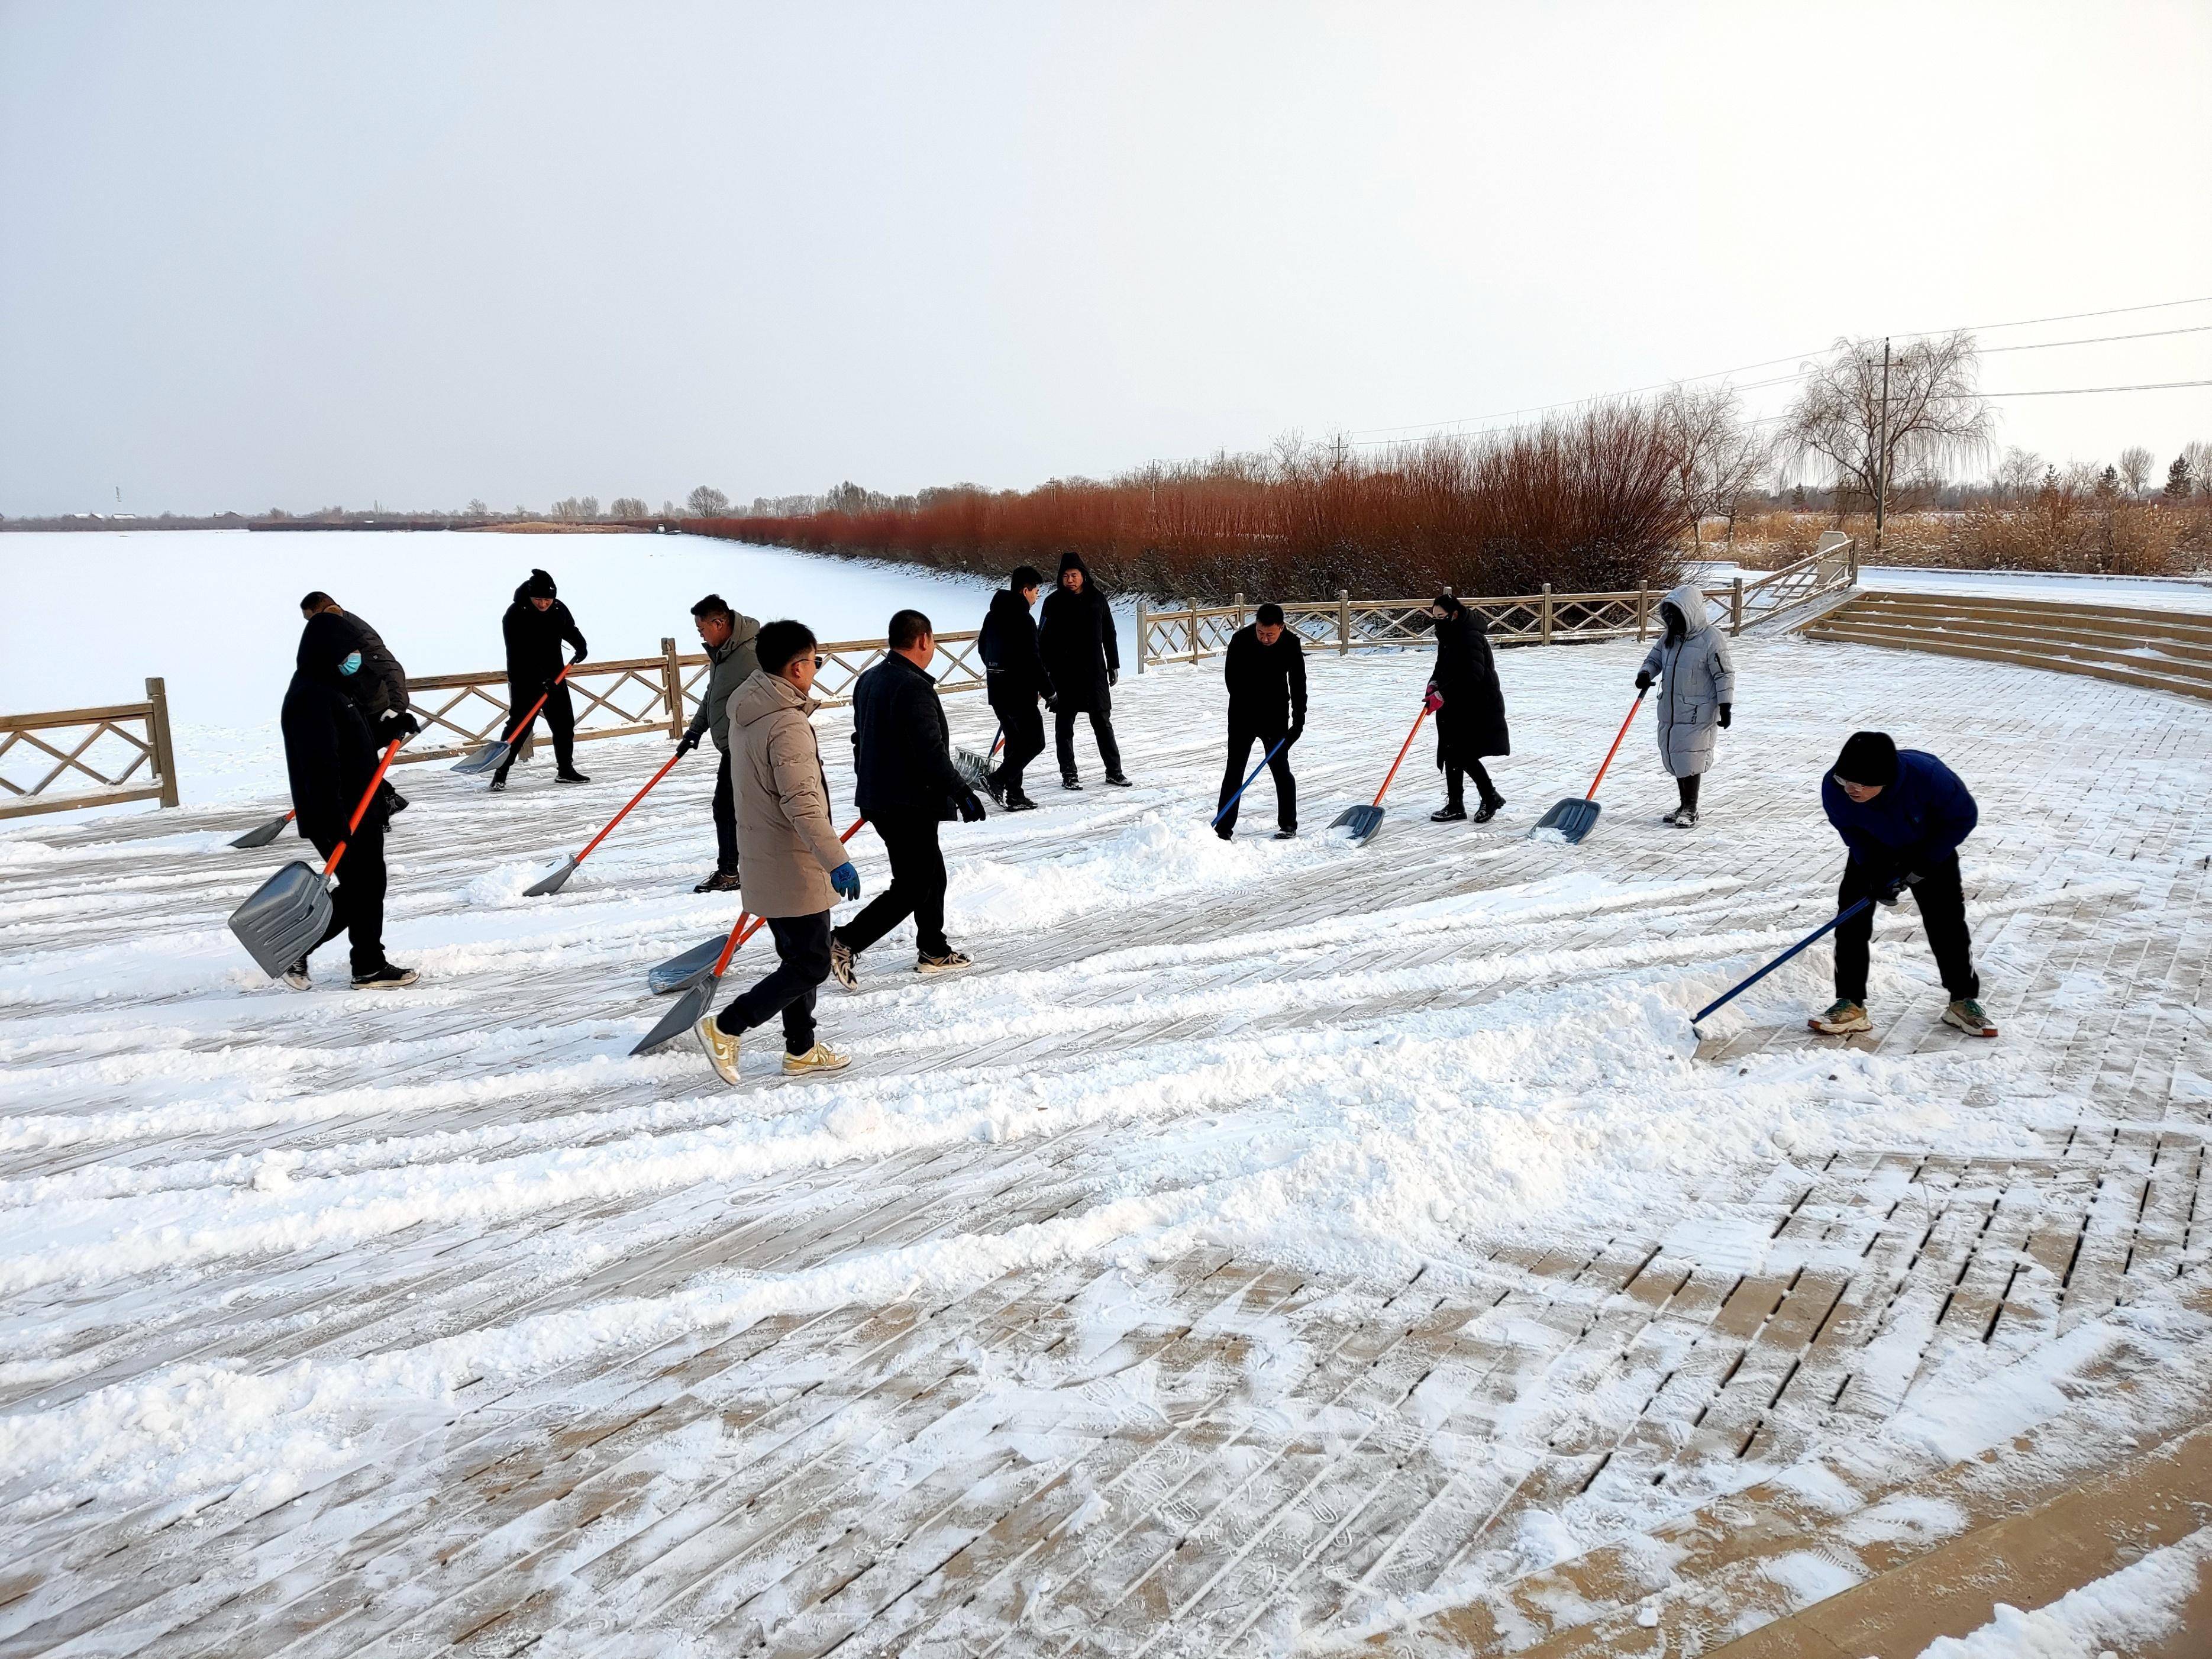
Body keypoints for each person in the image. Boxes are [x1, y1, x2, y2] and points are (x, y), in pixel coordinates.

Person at [693, 619, 861, 1084]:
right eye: (813, 661)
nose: (815, 669)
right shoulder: (787, 724)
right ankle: (726, 1026)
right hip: (792, 860)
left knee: (797, 960)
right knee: (811, 963)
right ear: (796, 667)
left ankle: (801, 1049)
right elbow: (803, 804)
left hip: (764, 853)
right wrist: (837, 861)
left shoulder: (750, 703)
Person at [830, 609, 988, 990]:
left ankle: (933, 948)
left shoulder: (869, 679)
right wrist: (963, 792)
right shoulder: (914, 687)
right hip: (907, 803)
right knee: (914, 885)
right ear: (924, 640)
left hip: (883, 798)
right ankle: (845, 941)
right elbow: (930, 753)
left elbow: (860, 741)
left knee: (931, 874)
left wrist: (868, 781)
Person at [1810, 730, 1995, 1040]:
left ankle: (1962, 1001)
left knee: (1946, 921)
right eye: (1846, 780)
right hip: (1872, 846)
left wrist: (1924, 864)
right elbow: (1851, 830)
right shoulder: (1835, 787)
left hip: (1930, 844)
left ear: (1884, 779)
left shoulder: (1929, 778)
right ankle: (1850, 1004)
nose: (1851, 789)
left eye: (1862, 783)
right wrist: (1874, 871)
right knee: (1851, 921)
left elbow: (1963, 817)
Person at [278, 611, 416, 990]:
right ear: (328, 652)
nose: (355, 660)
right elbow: (319, 765)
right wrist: (332, 817)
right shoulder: (312, 697)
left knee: (367, 885)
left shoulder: (333, 686)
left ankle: (368, 964)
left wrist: (389, 729)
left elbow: (351, 745)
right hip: (339, 812)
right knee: (361, 888)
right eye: (349, 653)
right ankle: (302, 949)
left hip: (359, 805)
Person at [299, 591, 415, 816]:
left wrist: (397, 709)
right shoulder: (330, 633)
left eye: (313, 620)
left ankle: (382, 807)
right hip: (353, 706)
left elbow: (392, 669)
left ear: (328, 610)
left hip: (376, 708)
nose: (312, 627)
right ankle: (386, 801)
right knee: (351, 759)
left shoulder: (358, 634)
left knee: (357, 758)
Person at [676, 592, 762, 891]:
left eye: (702, 629)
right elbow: (714, 694)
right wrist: (695, 731)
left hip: (748, 743)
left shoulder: (752, 652)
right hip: (731, 743)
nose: (700, 635)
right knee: (735, 808)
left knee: (725, 807)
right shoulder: (723, 652)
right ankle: (742, 866)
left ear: (719, 622)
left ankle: (730, 872)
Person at [1635, 583, 1735, 828]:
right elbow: (1654, 658)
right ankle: (1683, 805)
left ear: (1689, 612)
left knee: (1691, 760)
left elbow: (1724, 674)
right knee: (1677, 758)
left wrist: (1725, 705)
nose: (1671, 620)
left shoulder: (1711, 638)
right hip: (1670, 710)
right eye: (1668, 615)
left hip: (1697, 712)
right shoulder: (1670, 637)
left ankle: (1691, 808)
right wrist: (1645, 673)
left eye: (1675, 614)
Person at [1037, 551, 1129, 789]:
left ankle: (1114, 771)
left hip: (1094, 673)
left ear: (1083, 576)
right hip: (1063, 674)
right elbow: (1043, 639)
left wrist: (1114, 664)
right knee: (1064, 727)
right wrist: (1045, 673)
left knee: (1103, 724)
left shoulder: (1098, 599)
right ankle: (1069, 774)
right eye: (1066, 576)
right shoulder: (1053, 602)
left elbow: (1109, 633)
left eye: (1074, 575)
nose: (1070, 580)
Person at [1215, 601, 1306, 840]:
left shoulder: (1291, 644)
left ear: (1282, 628)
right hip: (1242, 715)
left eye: (1270, 635)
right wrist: (1248, 707)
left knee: (1280, 769)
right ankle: (1223, 828)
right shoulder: (1241, 640)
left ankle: (1288, 824)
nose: (1264, 639)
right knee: (1234, 770)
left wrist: (1298, 722)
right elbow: (1231, 681)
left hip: (1275, 717)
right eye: (1260, 633)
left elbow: (1298, 684)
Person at [492, 567, 589, 791]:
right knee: (520, 726)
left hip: (555, 677)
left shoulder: (558, 608)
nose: (543, 604)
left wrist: (580, 645)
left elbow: (569, 628)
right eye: (539, 600)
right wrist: (540, 678)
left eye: (547, 599)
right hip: (525, 678)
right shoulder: (516, 614)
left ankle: (565, 770)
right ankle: (501, 773)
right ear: (530, 596)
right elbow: (519, 653)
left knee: (564, 724)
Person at [1422, 593, 1510, 822]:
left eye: (1441, 616)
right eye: (1435, 617)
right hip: (1455, 702)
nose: (1437, 621)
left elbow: (1473, 675)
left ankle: (1490, 796)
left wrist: (1443, 693)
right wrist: (1433, 685)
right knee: (1452, 751)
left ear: (1455, 614)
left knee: (1463, 753)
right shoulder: (1450, 634)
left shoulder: (1470, 636)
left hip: (1476, 704)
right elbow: (1442, 668)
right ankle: (1456, 805)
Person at [978, 565, 1048, 811]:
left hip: (998, 691)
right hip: (1020, 694)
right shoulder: (1024, 620)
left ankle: (1015, 795)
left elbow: (983, 649)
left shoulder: (992, 615)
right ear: (1025, 590)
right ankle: (996, 781)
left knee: (1016, 742)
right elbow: (1033, 661)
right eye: (1036, 591)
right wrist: (1049, 692)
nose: (1037, 596)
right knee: (1035, 742)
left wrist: (997, 670)